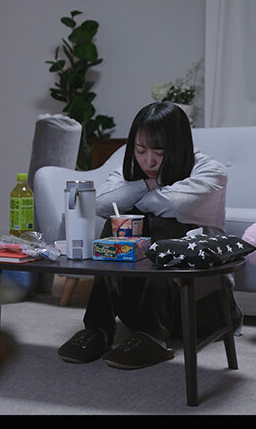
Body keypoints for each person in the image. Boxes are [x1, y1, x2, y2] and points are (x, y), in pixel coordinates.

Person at [57, 102, 243, 370]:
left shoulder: (211, 171)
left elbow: (178, 204)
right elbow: (100, 204)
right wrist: (149, 183)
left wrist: (133, 195)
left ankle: (153, 338)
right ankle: (98, 329)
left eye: (160, 152)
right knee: (117, 225)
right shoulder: (134, 171)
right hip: (137, 307)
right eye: (141, 150)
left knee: (169, 225)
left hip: (201, 305)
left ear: (179, 146)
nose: (149, 161)